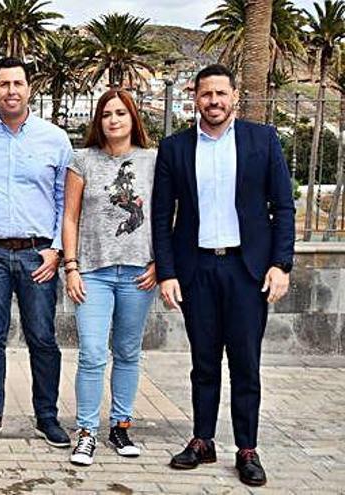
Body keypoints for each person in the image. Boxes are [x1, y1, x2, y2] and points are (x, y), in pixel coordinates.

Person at [152, 64, 295, 487]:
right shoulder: (175, 148)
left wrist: (280, 263)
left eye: (221, 94)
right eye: (205, 94)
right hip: (197, 270)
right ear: (194, 98)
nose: (213, 101)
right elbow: (163, 217)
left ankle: (247, 448)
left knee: (246, 363)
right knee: (203, 362)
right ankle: (202, 440)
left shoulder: (263, 140)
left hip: (247, 270)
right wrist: (167, 272)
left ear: (235, 97)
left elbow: (283, 207)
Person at [0, 57, 72, 447]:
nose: (11, 91)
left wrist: (56, 250)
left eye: (18, 83)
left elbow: (64, 202)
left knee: (43, 337)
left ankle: (47, 417)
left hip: (40, 257)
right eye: (3, 84)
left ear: (29, 89)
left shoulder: (55, 140)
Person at [61, 89, 157, 466]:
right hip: (93, 273)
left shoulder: (152, 160)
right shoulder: (82, 160)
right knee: (92, 353)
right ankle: (86, 432)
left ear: (134, 118)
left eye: (121, 113)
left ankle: (121, 426)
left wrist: (161, 263)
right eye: (106, 114)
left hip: (139, 274)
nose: (113, 120)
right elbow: (69, 217)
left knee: (129, 352)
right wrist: (71, 267)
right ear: (98, 121)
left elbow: (170, 215)